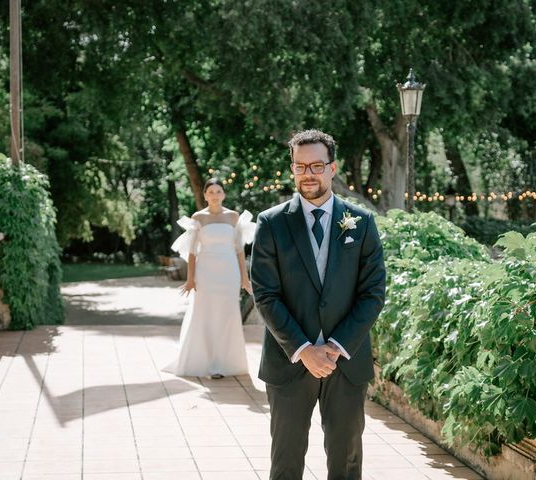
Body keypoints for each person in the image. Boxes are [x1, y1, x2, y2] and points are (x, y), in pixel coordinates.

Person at [250, 129, 386, 479]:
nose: (308, 173)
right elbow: (265, 294)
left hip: (346, 362)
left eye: (316, 165)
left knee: (346, 461)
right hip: (289, 361)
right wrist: (304, 349)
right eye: (300, 166)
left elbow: (372, 292)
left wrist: (337, 345)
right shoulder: (271, 223)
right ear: (292, 168)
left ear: (333, 168)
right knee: (286, 462)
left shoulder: (363, 222)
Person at [165, 177, 255, 379]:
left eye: (218, 191)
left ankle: (226, 363)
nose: (215, 195)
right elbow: (192, 252)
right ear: (205, 195)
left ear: (223, 194)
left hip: (229, 270)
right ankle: (205, 362)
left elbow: (239, 250)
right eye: (211, 192)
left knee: (228, 314)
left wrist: (244, 278)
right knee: (204, 314)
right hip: (205, 272)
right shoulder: (198, 217)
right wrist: (190, 280)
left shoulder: (233, 217)